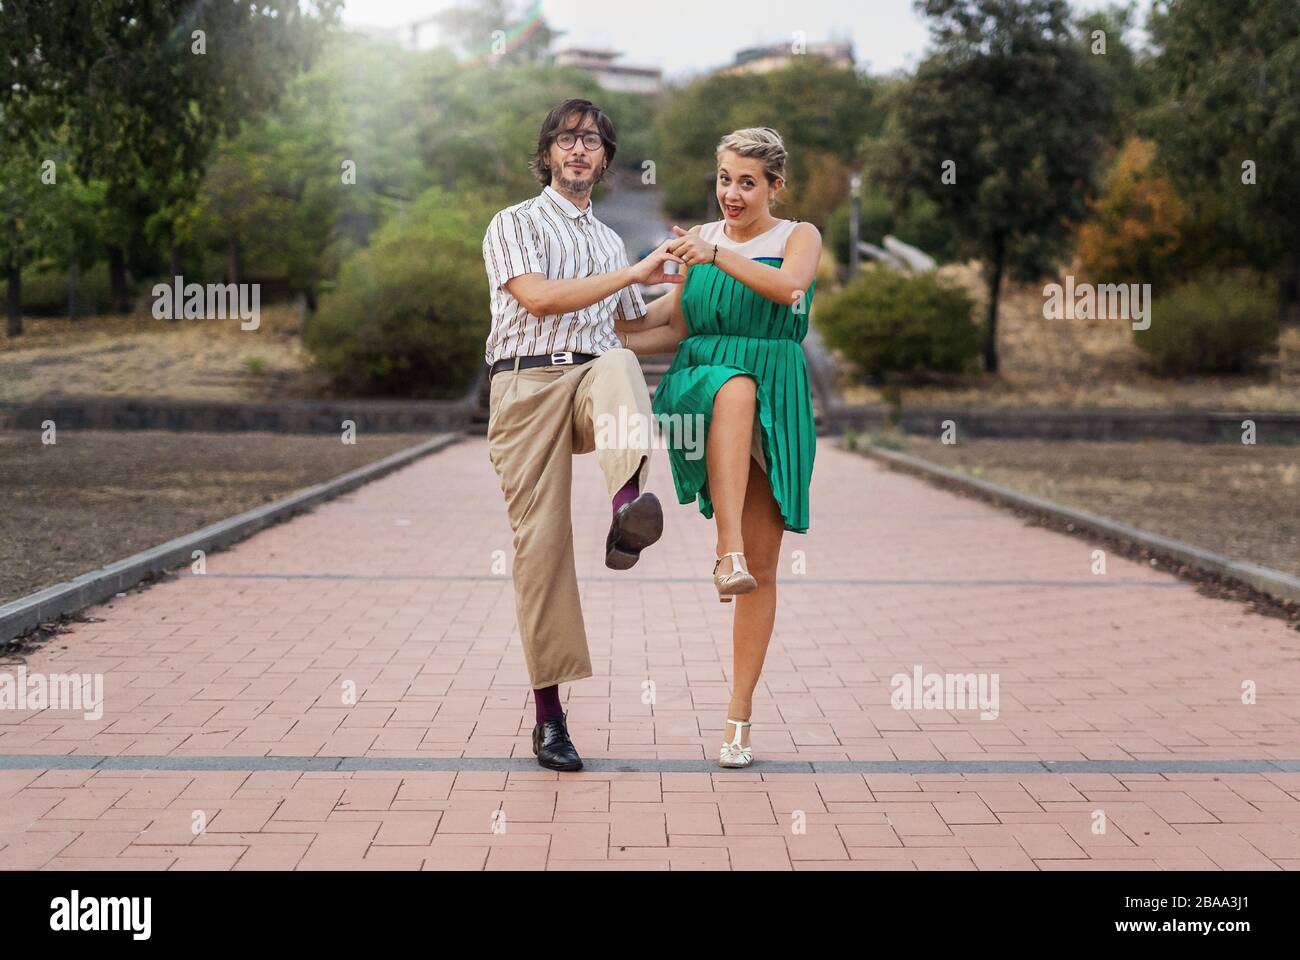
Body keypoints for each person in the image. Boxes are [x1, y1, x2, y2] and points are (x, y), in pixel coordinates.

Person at [482, 98, 684, 772]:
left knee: (621, 361)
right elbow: (537, 298)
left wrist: (697, 280)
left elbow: (635, 326)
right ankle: (550, 719)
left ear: (604, 160)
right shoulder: (513, 223)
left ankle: (627, 507)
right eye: (567, 139)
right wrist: (634, 273)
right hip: (526, 387)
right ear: (547, 153)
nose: (578, 150)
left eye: (591, 141)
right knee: (539, 549)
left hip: (591, 378)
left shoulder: (608, 242)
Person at [616, 127, 820, 768]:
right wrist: (611, 318)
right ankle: (723, 549)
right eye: (724, 178)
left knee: (764, 569)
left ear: (774, 187)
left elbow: (789, 290)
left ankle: (738, 720)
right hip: (703, 383)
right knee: (732, 390)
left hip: (778, 397)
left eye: (747, 182)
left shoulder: (798, 237)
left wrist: (714, 254)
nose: (731, 193)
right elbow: (671, 324)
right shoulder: (699, 242)